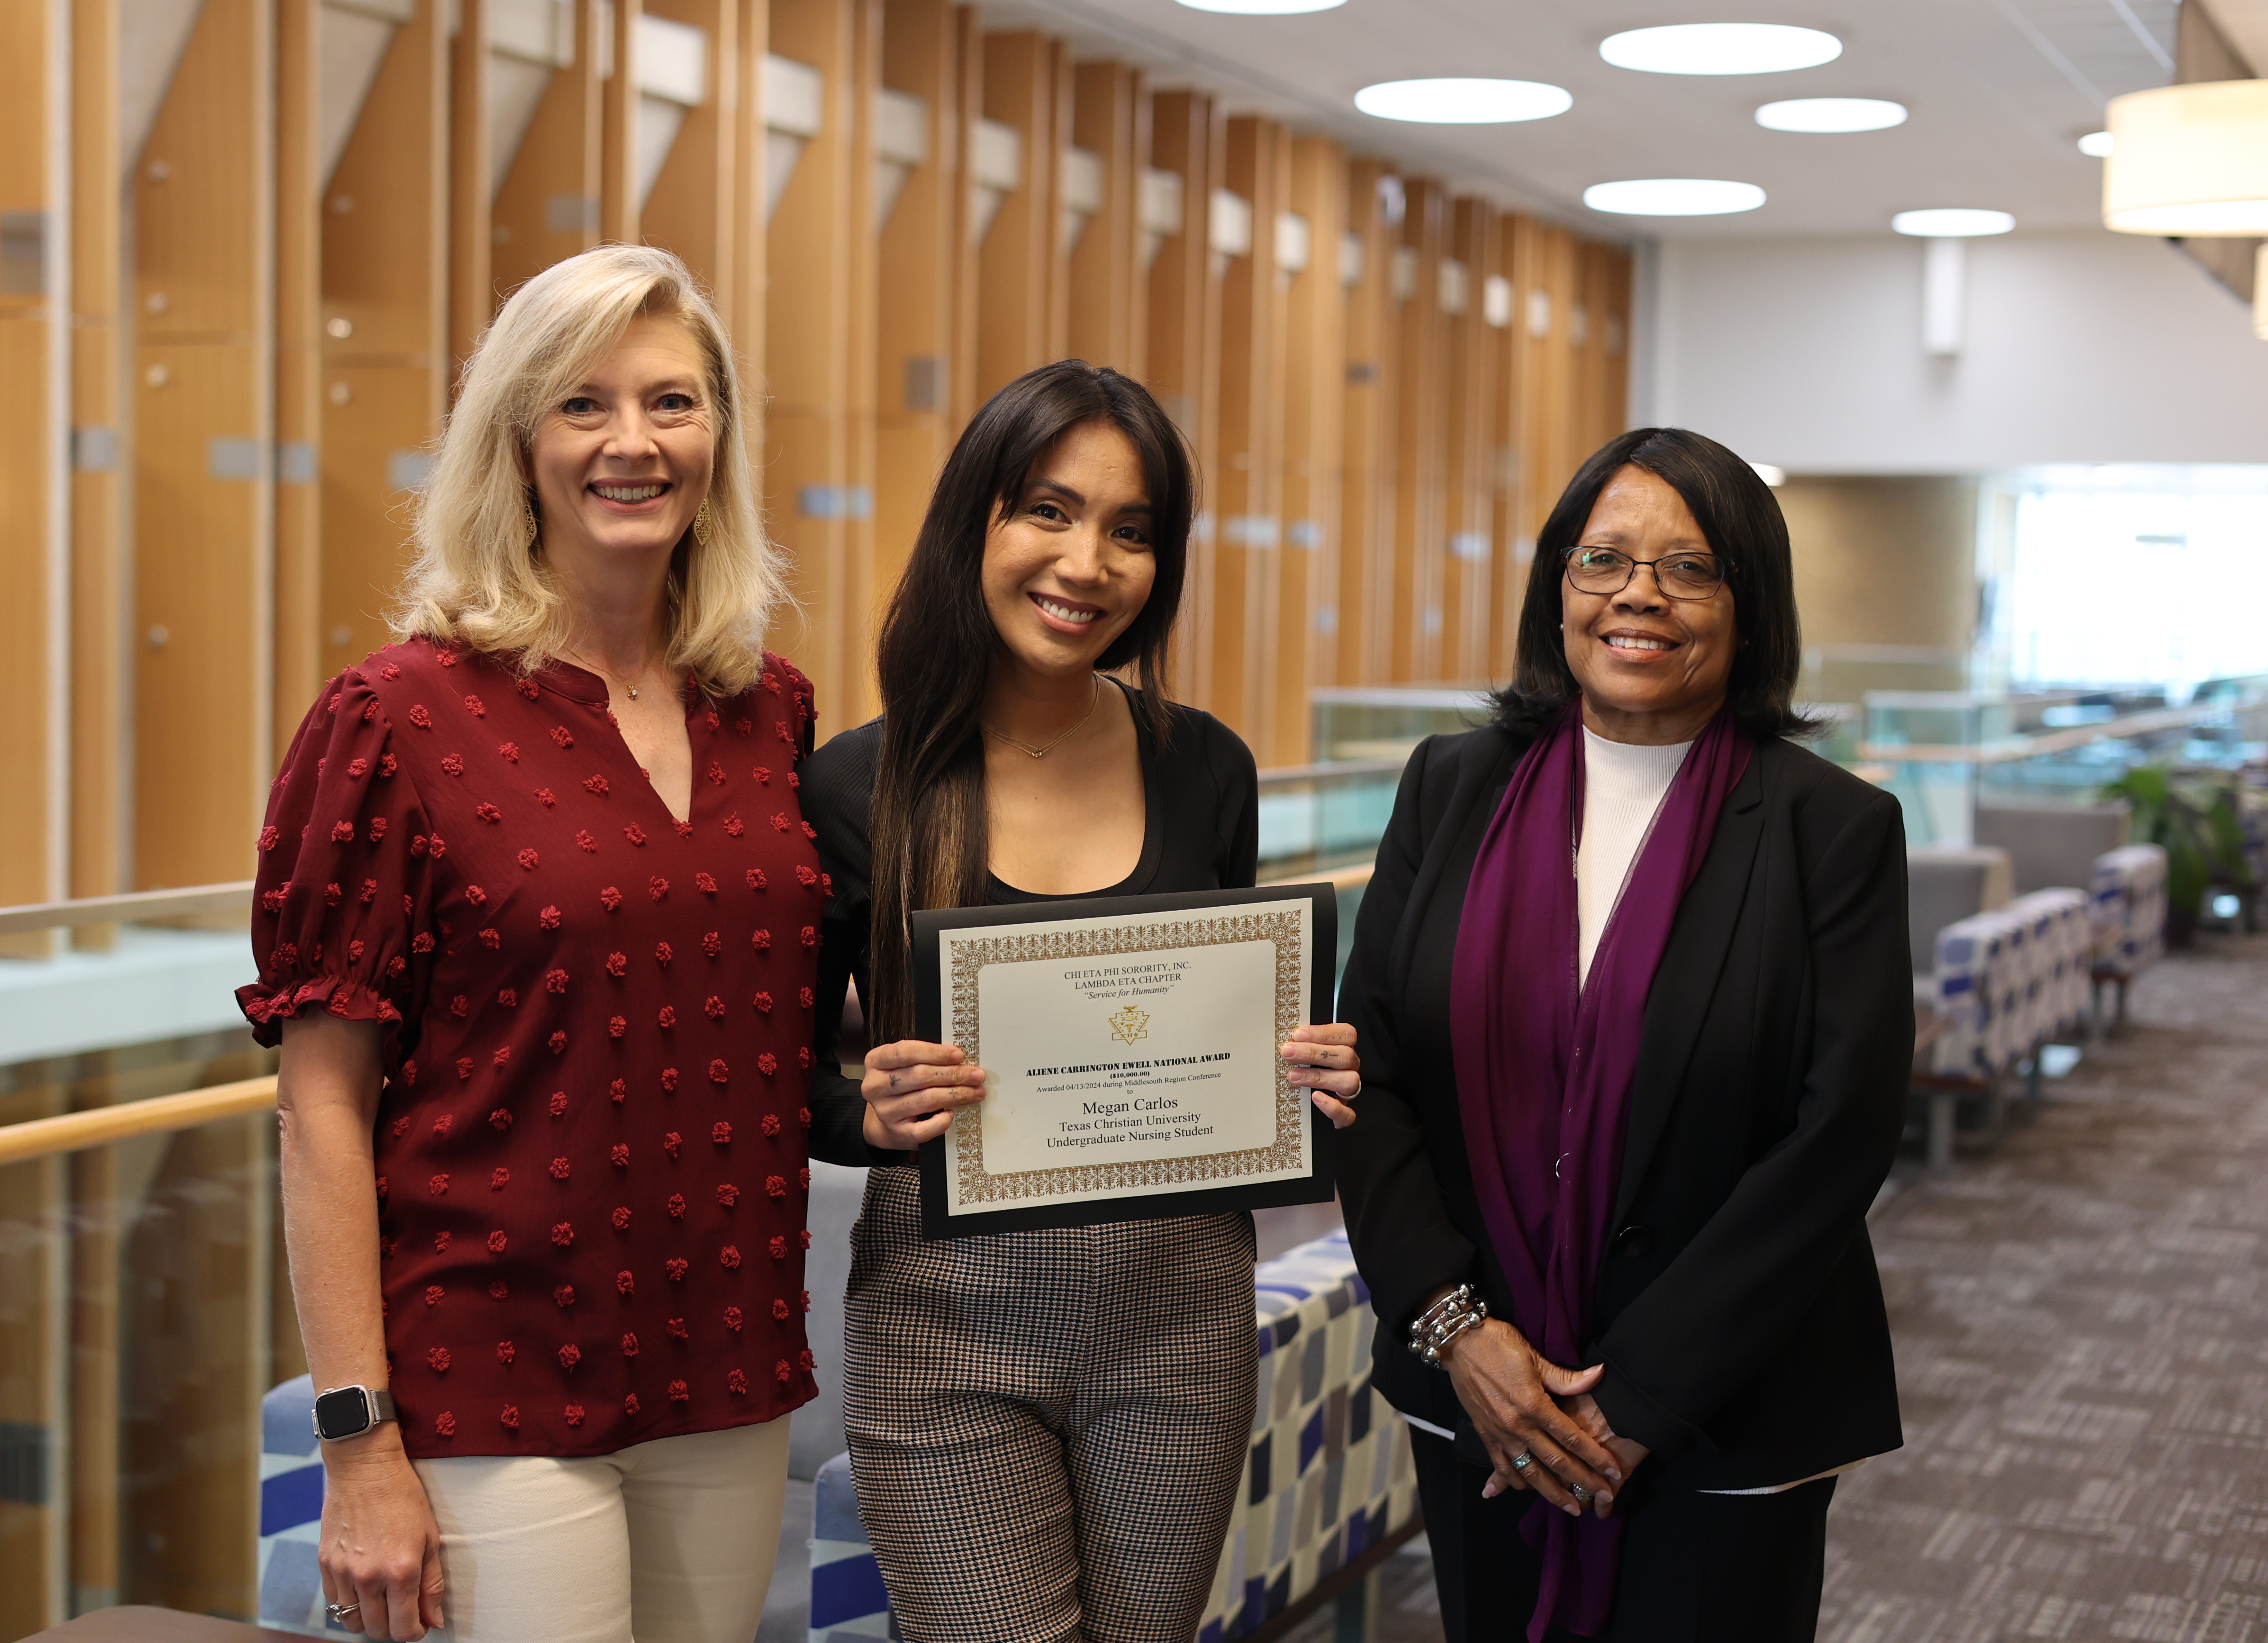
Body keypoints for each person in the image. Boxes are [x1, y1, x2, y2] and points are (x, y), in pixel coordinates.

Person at [240, 244, 823, 1643]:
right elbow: (321, 1106)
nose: (634, 443)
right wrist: (357, 1443)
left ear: (720, 437)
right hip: (490, 1379)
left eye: (673, 403)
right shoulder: (396, 720)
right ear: (517, 439)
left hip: (728, 1365)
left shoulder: (772, 710)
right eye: (584, 404)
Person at [803, 361, 1364, 1641]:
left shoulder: (1204, 764)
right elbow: (784, 1089)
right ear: (976, 525)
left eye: (1132, 531)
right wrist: (870, 1116)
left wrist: (1302, 1073)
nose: (1088, 563)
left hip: (1179, 1319)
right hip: (947, 1337)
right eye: (1048, 511)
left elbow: (1223, 1028)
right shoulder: (858, 785)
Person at [1332, 427, 1910, 1642]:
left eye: (1691, 568)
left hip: (1727, 1407)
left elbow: (1839, 1137)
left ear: (1749, 609)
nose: (1640, 594)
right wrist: (1458, 1330)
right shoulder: (1449, 787)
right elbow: (1373, 1080)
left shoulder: (1833, 829)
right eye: (1605, 560)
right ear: (1559, 589)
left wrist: (1635, 1401)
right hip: (1478, 1392)